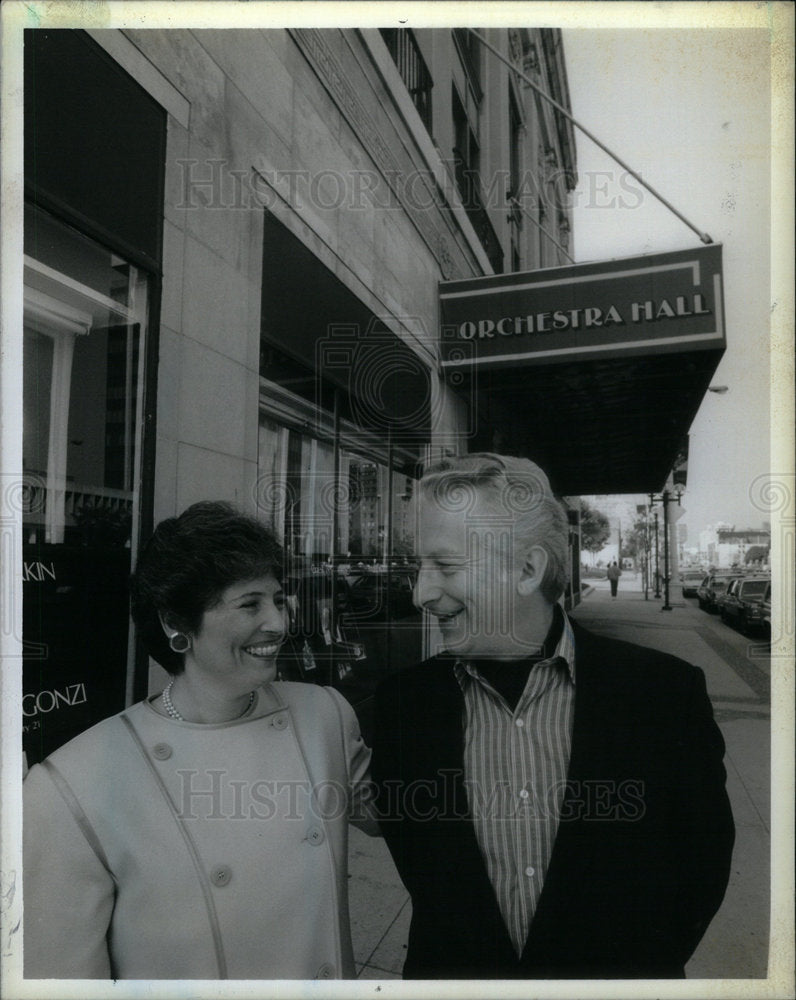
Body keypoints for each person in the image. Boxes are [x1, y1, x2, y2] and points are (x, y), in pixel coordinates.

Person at [372, 453, 734, 979]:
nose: (421, 593)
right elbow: (422, 869)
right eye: (420, 566)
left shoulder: (663, 694)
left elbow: (702, 863)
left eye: (445, 567)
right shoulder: (405, 705)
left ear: (527, 569)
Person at [23, 501, 375, 980]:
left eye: (277, 598)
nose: (278, 622)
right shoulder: (70, 786)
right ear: (175, 624)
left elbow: (389, 817)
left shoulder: (323, 715)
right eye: (249, 604)